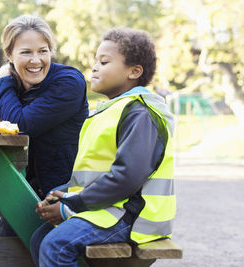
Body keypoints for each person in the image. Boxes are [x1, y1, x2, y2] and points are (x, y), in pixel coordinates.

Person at [30, 27, 175, 267]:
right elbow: (92, 174)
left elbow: (127, 177)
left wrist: (71, 206)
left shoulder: (140, 113)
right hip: (108, 209)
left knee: (55, 246)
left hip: (131, 216)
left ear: (134, 71)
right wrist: (62, 193)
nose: (94, 67)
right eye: (95, 61)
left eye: (104, 61)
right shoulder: (108, 111)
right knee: (40, 239)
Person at [0, 15, 88, 237]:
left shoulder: (68, 82)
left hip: (63, 196)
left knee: (29, 244)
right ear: (9, 55)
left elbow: (19, 125)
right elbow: (4, 123)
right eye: (26, 52)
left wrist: (2, 82)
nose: (36, 60)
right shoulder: (18, 83)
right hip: (28, 189)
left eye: (43, 51)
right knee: (4, 247)